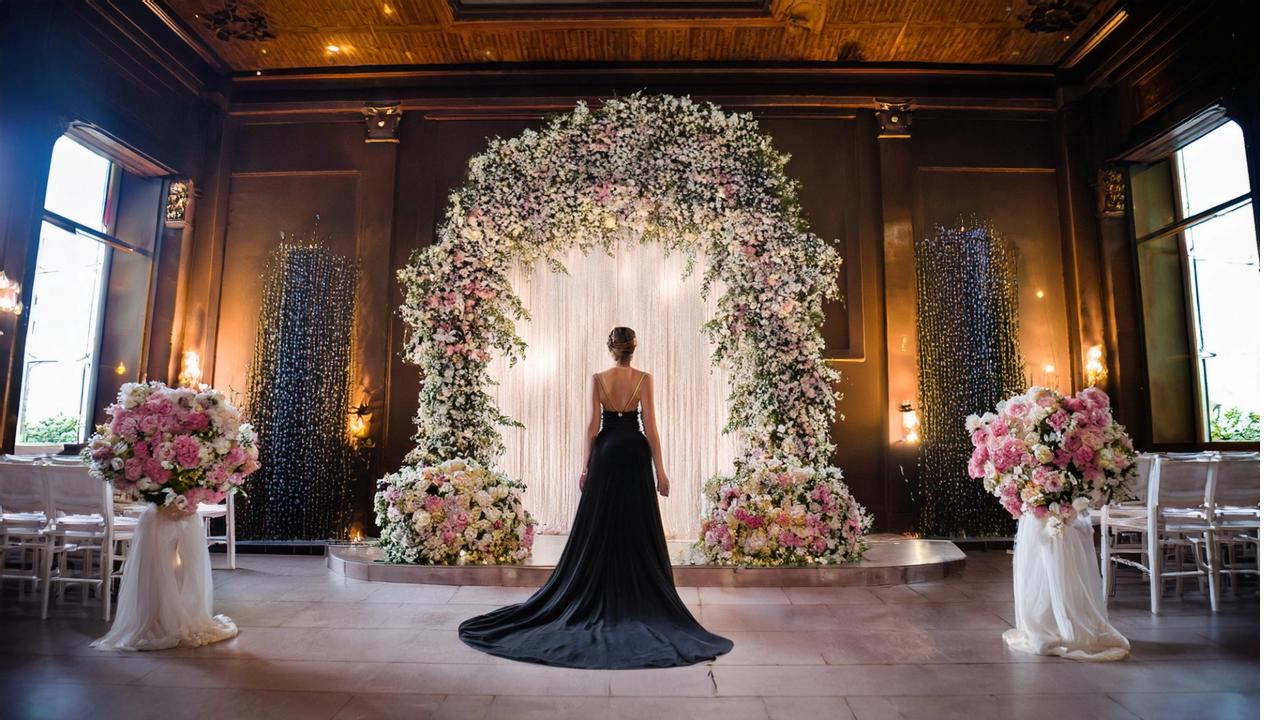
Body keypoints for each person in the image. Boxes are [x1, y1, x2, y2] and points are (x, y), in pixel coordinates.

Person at [458, 326, 733, 668]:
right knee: (635, 523)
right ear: (633, 349)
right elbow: (651, 427)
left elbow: (592, 425)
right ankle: (637, 593)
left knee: (600, 523)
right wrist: (660, 471)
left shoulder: (598, 379)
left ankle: (596, 585)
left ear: (611, 349)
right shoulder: (644, 379)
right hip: (634, 452)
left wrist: (585, 467)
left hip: (606, 451)